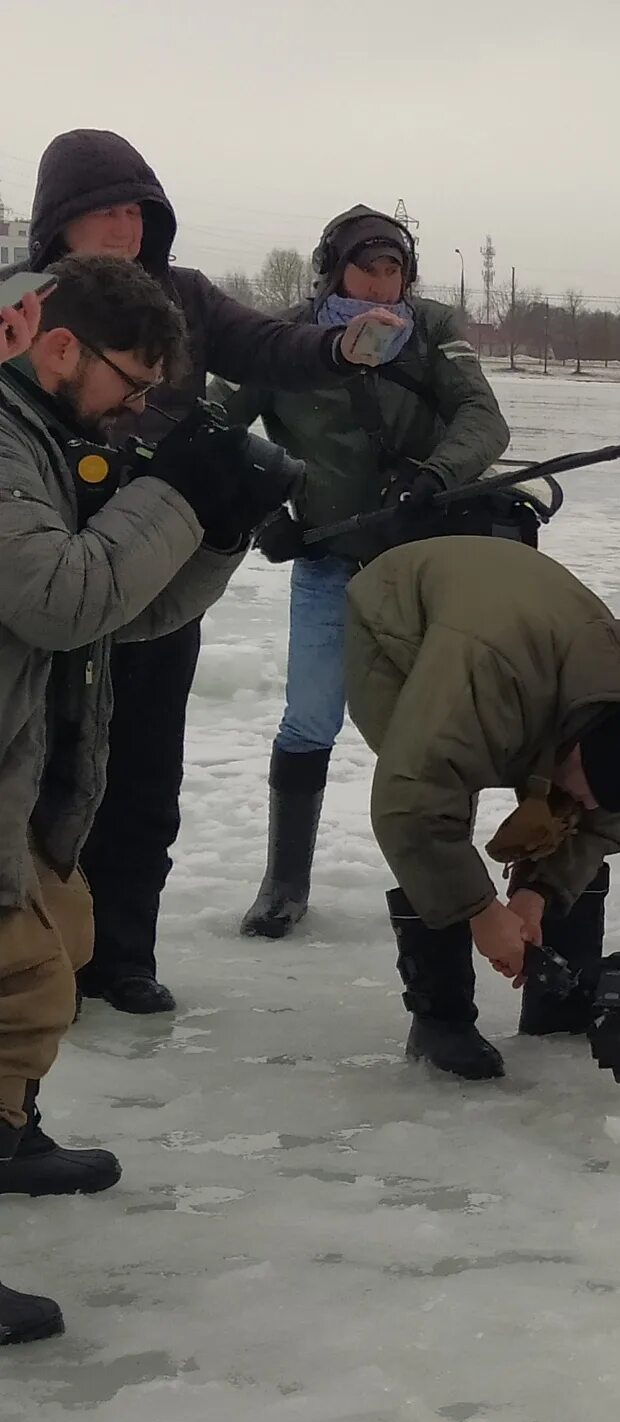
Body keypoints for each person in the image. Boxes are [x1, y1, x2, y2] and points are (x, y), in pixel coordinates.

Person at [25, 129, 402, 1016]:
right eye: (100, 211)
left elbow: (267, 344)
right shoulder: (26, 307)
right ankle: (41, 967)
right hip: (53, 567)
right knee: (44, 770)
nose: (120, 228)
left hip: (161, 566)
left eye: (134, 211)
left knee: (147, 771)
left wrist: (339, 350)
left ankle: (123, 956)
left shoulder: (183, 297)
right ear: (59, 224)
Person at [0, 256, 285, 1343]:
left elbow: (119, 617)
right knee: (16, 977)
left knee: (39, 965)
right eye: (131, 381)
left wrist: (215, 533)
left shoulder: (46, 436)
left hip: (18, 777)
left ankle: (9, 1136)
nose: (134, 409)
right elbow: (64, 596)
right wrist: (175, 492)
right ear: (59, 345)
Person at [217, 205, 512, 943]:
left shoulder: (436, 329)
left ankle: (438, 882)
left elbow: (484, 419)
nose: (384, 286)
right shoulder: (284, 338)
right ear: (331, 269)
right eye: (367, 267)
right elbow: (214, 429)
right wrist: (263, 509)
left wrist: (429, 478)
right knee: (310, 717)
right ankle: (284, 884)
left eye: (396, 270)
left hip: (421, 564)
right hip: (325, 559)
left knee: (433, 729)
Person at [344, 537, 620, 1080]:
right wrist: (482, 913)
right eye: (587, 784)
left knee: (574, 804)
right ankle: (440, 1020)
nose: (587, 802)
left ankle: (557, 997)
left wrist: (537, 896)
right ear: (578, 744)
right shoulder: (490, 679)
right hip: (399, 620)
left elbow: (599, 811)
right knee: (438, 792)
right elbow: (411, 802)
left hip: (512, 628)